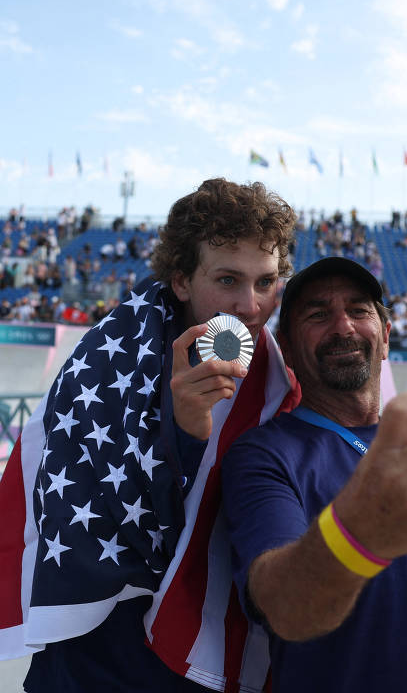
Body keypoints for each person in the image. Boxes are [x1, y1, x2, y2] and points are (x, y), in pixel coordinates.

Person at [0, 178, 300, 692]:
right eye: (228, 279)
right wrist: (181, 434)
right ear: (181, 280)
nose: (251, 305)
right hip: (95, 657)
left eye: (266, 281)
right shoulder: (105, 365)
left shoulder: (287, 378)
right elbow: (83, 500)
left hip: (205, 664)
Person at [222, 256, 407, 692]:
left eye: (359, 310)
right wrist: (360, 534)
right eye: (318, 315)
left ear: (387, 333)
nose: (343, 327)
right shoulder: (263, 455)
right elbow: (285, 608)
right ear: (285, 345)